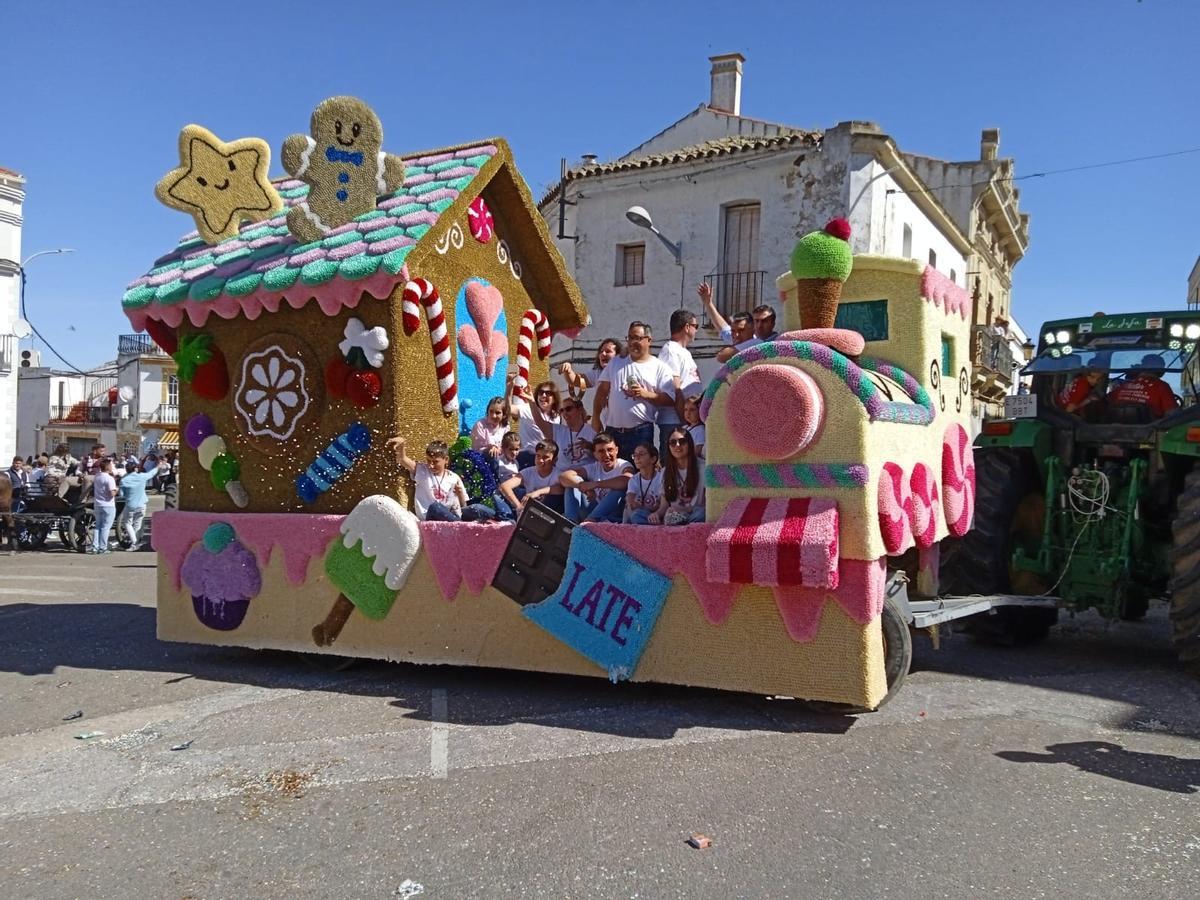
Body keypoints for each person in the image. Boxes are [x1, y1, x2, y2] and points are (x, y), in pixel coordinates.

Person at [591, 321, 676, 462]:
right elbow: (602, 391)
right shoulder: (616, 362)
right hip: (613, 432)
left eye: (637, 338)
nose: (632, 342)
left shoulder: (659, 367)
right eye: (630, 338)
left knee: (641, 469)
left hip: (640, 432)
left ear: (649, 340)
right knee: (614, 470)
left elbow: (670, 399)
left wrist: (644, 394)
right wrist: (595, 417)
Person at [387, 436, 496, 522]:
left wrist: (460, 494)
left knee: (476, 508)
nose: (431, 465)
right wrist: (402, 445)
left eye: (435, 462)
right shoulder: (422, 471)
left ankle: (500, 519)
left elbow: (463, 506)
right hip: (430, 516)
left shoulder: (454, 477)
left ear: (446, 459)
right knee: (436, 507)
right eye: (428, 461)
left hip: (452, 516)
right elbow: (403, 459)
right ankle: (461, 527)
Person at [656, 308, 702, 460]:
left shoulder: (683, 352)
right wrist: (684, 421)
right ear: (687, 327)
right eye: (696, 326)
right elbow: (675, 388)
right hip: (676, 422)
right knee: (674, 467)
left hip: (686, 421)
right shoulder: (671, 351)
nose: (697, 331)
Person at [558, 433, 633, 523]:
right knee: (571, 486)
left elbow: (627, 479)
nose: (607, 455)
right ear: (595, 454)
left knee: (618, 490)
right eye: (601, 451)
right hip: (593, 508)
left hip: (614, 514)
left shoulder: (624, 465)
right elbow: (564, 476)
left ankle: (590, 521)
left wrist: (595, 484)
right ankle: (569, 522)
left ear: (616, 450)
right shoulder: (594, 467)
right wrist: (584, 487)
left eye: (610, 450)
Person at [646, 428, 706, 525]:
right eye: (673, 443)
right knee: (638, 515)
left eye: (682, 441)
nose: (677, 445)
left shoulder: (703, 468)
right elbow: (664, 505)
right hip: (674, 516)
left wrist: (682, 510)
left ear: (690, 444)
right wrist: (656, 514)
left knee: (701, 513)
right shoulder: (665, 471)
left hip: (695, 515)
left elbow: (706, 504)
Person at [534, 394, 596, 475]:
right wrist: (531, 401)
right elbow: (539, 422)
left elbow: (600, 454)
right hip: (562, 476)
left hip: (586, 474)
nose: (565, 413)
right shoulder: (558, 430)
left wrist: (589, 447)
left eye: (568, 409)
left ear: (580, 409)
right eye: (562, 410)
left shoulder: (592, 430)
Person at [499, 439, 563, 515]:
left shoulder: (558, 474)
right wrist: (518, 506)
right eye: (538, 456)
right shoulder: (528, 472)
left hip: (550, 514)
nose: (540, 460)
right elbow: (504, 486)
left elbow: (562, 489)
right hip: (529, 513)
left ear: (554, 459)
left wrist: (537, 492)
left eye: (545, 457)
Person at [1107, 354, 1180, 418]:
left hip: (1115, 427)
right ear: (1161, 369)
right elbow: (1173, 415)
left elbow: (1105, 404)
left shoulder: (1123, 386)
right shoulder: (1162, 386)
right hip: (1151, 428)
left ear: (1142, 366)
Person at [511, 381, 561, 468]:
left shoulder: (556, 417)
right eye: (541, 393)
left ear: (554, 398)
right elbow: (508, 409)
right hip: (527, 456)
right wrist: (509, 389)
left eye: (548, 393)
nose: (543, 395)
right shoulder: (527, 408)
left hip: (546, 458)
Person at [625, 443, 664, 524]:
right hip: (639, 514)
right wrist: (631, 503)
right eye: (635, 455)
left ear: (653, 459)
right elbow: (630, 499)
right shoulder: (634, 479)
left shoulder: (661, 477)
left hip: (657, 514)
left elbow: (661, 505)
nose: (637, 458)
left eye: (641, 454)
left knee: (636, 516)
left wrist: (645, 508)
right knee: (631, 513)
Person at [118, 464, 154, 551]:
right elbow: (151, 473)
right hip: (142, 504)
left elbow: (121, 495)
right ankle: (135, 543)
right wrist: (158, 467)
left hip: (130, 504)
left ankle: (134, 543)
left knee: (127, 523)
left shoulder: (124, 480)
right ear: (135, 469)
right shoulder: (141, 477)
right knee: (137, 523)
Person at [89, 458, 118, 554]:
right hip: (108, 504)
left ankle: (95, 546)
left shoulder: (97, 476)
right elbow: (112, 493)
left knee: (98, 526)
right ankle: (103, 547)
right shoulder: (109, 479)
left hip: (98, 504)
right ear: (108, 467)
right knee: (106, 527)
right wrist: (117, 489)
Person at [470, 396, 510, 462]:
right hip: (482, 460)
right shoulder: (480, 425)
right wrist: (491, 448)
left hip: (502, 458)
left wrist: (499, 449)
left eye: (497, 413)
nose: (493, 416)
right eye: (491, 411)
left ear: (504, 415)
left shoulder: (505, 426)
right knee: (493, 454)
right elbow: (477, 449)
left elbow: (506, 445)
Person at [682, 394, 706, 459]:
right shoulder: (684, 428)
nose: (688, 413)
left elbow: (698, 450)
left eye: (692, 410)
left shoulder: (700, 430)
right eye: (685, 410)